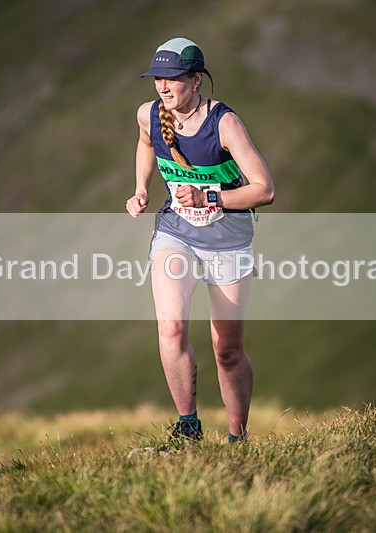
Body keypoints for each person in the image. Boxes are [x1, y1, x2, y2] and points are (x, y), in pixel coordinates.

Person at [126, 37, 275, 443]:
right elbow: (145, 143)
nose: (163, 87)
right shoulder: (150, 115)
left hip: (229, 241)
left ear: (195, 80)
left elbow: (264, 189)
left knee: (226, 350)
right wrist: (141, 187)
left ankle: (236, 440)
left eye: (172, 79)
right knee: (172, 327)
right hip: (176, 233)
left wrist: (211, 196)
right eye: (157, 79)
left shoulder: (224, 123)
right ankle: (188, 426)